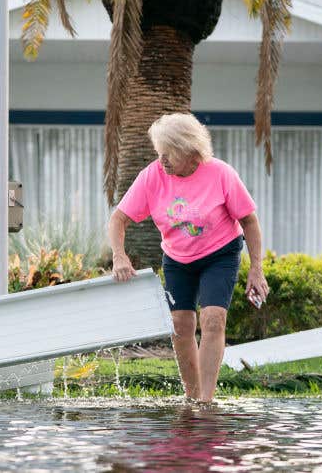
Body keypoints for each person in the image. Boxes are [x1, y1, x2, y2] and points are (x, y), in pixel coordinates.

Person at [108, 113, 268, 403]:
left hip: (220, 254)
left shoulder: (220, 174)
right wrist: (119, 256)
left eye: (169, 153)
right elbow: (118, 219)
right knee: (181, 324)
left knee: (213, 319)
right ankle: (192, 396)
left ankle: (206, 401)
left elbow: (249, 222)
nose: (163, 160)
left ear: (192, 153)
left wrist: (256, 269)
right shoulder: (152, 176)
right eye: (160, 152)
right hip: (178, 258)